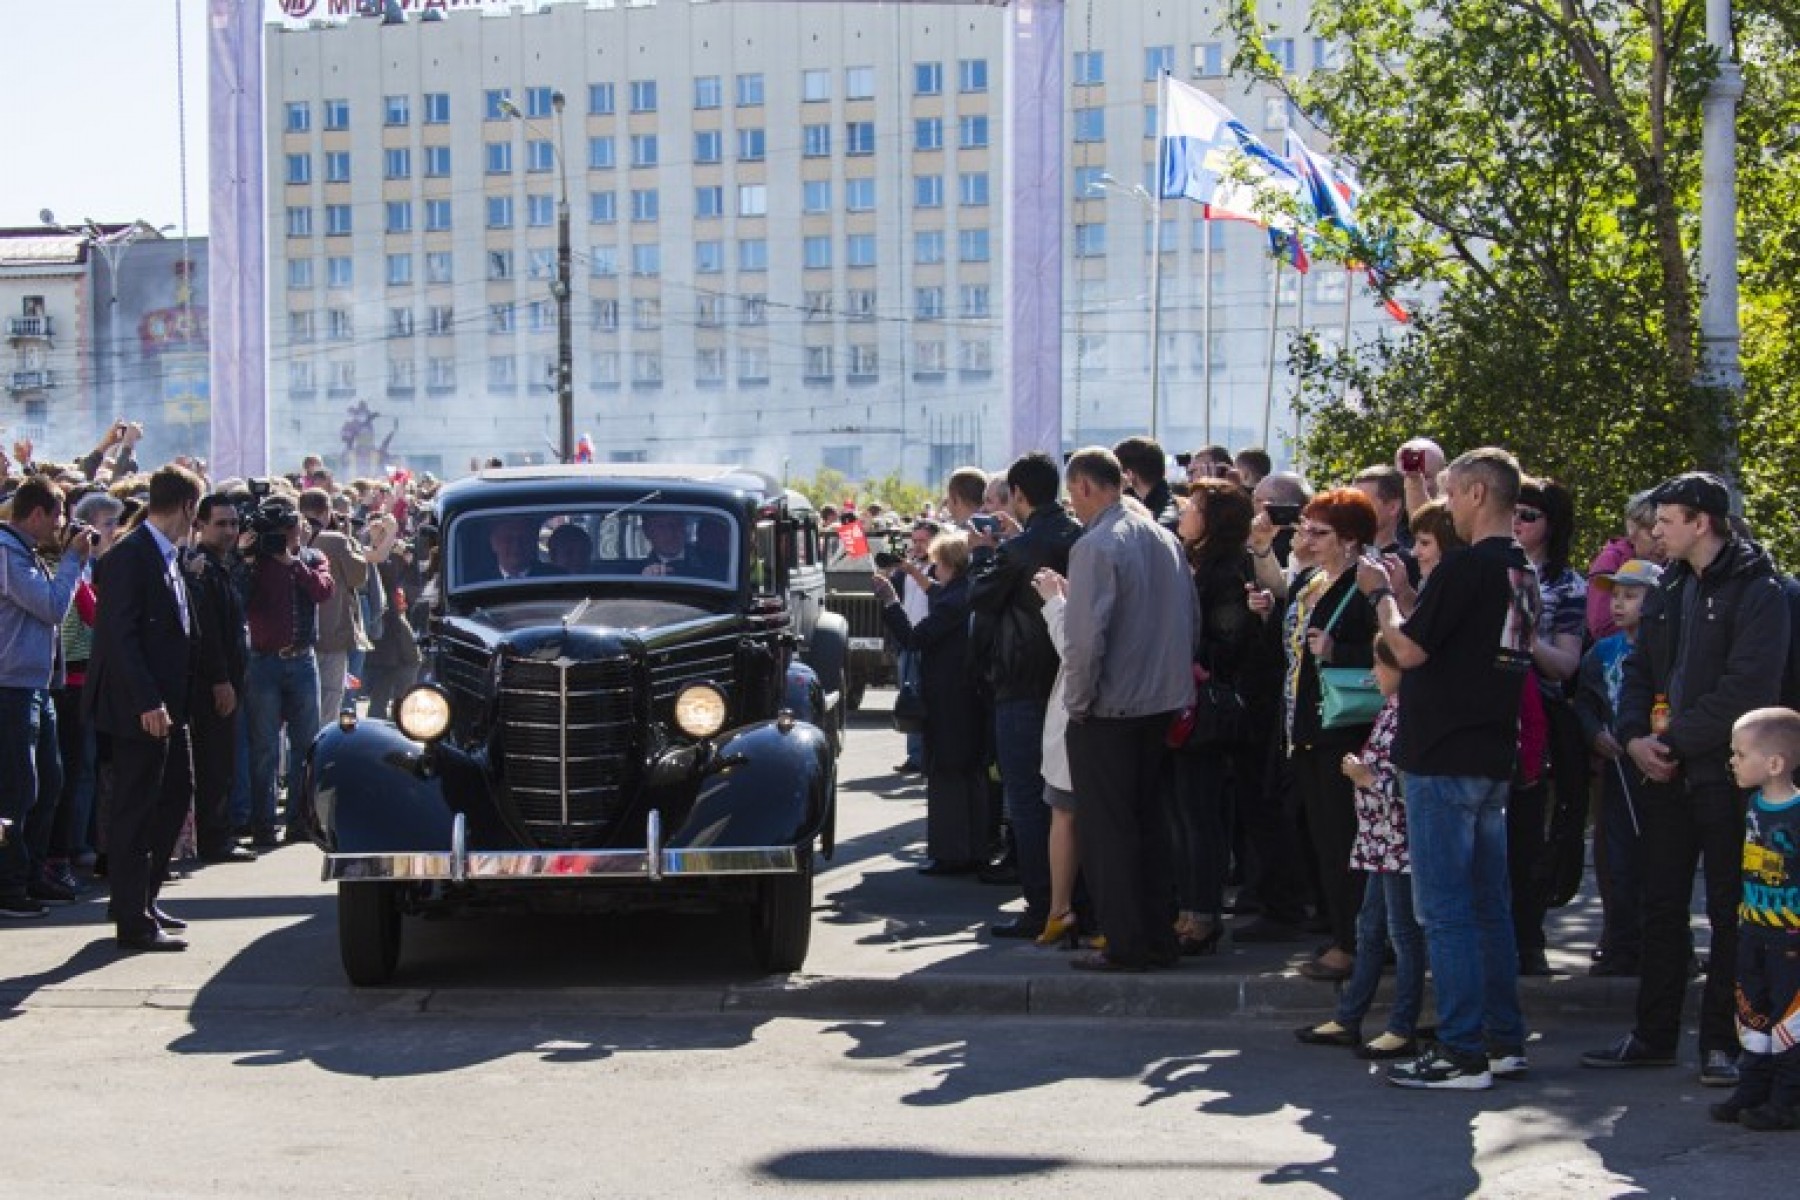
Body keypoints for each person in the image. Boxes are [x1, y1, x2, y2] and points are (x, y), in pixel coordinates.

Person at [1582, 471, 1790, 1088]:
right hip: (1665, 775)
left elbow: (1746, 691)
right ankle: (1653, 1036)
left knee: (1730, 911)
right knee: (1662, 904)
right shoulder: (1668, 585)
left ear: (1702, 522)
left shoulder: (1761, 590)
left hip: (1729, 778)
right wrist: (1634, 738)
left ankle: (1723, 1044)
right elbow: (1640, 668)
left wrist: (1667, 741)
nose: (1655, 531)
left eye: (1667, 520)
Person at [1358, 446, 1537, 1090]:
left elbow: (1406, 648)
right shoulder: (1521, 571)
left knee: (1448, 910)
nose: (1448, 506)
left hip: (1442, 757)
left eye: (1455, 493)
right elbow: (1454, 642)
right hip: (1489, 753)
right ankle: (1500, 1040)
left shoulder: (1469, 568)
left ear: (1480, 495)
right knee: (1487, 905)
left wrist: (1382, 597)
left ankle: (1462, 1049)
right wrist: (1409, 595)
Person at [1059, 447, 1195, 971]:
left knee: (1109, 831)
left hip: (1111, 706)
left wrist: (1078, 701)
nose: (1073, 504)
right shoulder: (1165, 538)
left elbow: (1086, 638)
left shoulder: (1097, 544)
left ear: (1088, 487)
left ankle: (1127, 942)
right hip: (1161, 700)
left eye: (1073, 494)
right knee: (1149, 825)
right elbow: (1191, 618)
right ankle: (1156, 935)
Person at [84, 465, 204, 951]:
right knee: (136, 807)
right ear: (188, 507)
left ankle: (143, 898)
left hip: (172, 706)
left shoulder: (169, 555)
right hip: (142, 708)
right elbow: (119, 636)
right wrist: (147, 701)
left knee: (177, 793)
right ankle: (132, 919)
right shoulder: (130, 556)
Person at [966, 453, 1083, 940]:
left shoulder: (1020, 549)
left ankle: (1042, 905)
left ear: (1018, 495)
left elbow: (980, 595)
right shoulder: (1079, 537)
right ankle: (1076, 901)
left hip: (1020, 682)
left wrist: (983, 551)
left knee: (1028, 799)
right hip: (1070, 677)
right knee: (1069, 799)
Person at [1295, 632, 1427, 1060]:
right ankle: (1349, 1017)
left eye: (1378, 665)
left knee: (1403, 937)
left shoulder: (1413, 713)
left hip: (1398, 843)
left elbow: (1416, 783)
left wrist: (1368, 778)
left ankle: (1401, 1026)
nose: (1372, 673)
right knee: (1368, 931)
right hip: (1378, 841)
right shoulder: (1392, 709)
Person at [1283, 489, 1381, 982]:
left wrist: (1339, 650)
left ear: (1350, 540)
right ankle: (1344, 934)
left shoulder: (1364, 585)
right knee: (1324, 840)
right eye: (1306, 529)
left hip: (1345, 733)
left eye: (1320, 533)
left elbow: (1392, 651)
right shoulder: (1318, 582)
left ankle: (1354, 943)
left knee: (1346, 841)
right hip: (1309, 729)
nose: (1308, 539)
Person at [1169, 479, 1260, 956]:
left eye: (1195, 506)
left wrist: (1196, 658)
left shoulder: (1226, 569)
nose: (1184, 511)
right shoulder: (1196, 561)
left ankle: (1202, 914)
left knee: (1199, 815)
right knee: (1184, 815)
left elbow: (1229, 641)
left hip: (1206, 707)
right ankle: (1188, 909)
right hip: (1184, 699)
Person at [0, 476, 90, 917]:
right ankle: (9, 883)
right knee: (17, 790)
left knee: (48, 782)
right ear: (36, 514)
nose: (63, 527)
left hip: (34, 685)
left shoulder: (25, 553)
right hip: (9, 687)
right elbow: (52, 607)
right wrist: (73, 562)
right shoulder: (6, 552)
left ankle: (31, 869)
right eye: (59, 516)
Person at [1509, 477, 1589, 976]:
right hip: (1490, 712)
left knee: (1529, 834)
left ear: (1551, 525)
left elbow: (1566, 664)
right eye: (1513, 512)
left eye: (1530, 516)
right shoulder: (1492, 566)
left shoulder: (1568, 584)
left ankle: (1529, 936)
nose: (1518, 522)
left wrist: (1525, 635)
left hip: (1542, 716)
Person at [874, 531, 987, 875]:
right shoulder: (965, 591)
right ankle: (972, 849)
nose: (933, 571)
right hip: (968, 697)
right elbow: (938, 594)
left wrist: (891, 601)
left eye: (937, 565)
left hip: (949, 697)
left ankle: (952, 853)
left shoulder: (954, 600)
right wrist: (912, 573)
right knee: (969, 774)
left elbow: (914, 638)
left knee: (947, 774)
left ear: (950, 565)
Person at [1709, 707, 1800, 1131]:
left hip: (1790, 937)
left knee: (1789, 1018)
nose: (1733, 761)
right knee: (1752, 1013)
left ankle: (1788, 1098)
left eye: (1741, 754)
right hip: (1754, 928)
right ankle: (1753, 1088)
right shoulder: (1752, 806)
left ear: (1775, 763)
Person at [1573, 559, 1662, 978]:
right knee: (1618, 858)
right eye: (1616, 596)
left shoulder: (1667, 647)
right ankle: (1620, 941)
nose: (1619, 604)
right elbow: (1585, 702)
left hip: (1658, 769)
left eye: (1632, 595)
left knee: (1658, 858)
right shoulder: (1601, 652)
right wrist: (1593, 734)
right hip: (1617, 769)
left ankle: (1663, 943)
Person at [242, 501, 334, 847]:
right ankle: (263, 824)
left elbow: (324, 591)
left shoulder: (311, 559)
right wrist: (248, 557)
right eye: (279, 533)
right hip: (264, 661)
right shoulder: (256, 561)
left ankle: (299, 821)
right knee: (263, 747)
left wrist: (294, 565)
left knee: (306, 745)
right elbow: (240, 596)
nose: (286, 539)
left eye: (290, 531)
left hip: (301, 659)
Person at [185, 493, 255, 864]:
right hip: (213, 682)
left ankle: (219, 834)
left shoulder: (225, 566)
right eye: (221, 524)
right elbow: (207, 632)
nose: (229, 531)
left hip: (231, 676)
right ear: (199, 525)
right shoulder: (200, 569)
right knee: (214, 762)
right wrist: (219, 679)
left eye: (233, 523)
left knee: (224, 761)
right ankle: (214, 839)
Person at [1586, 490, 1662, 642]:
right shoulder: (1611, 560)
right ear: (1633, 531)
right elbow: (1601, 626)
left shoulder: (1677, 562)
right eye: (1653, 534)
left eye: (1664, 533)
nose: (1660, 542)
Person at [1112, 436, 1180, 531]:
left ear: (1128, 474)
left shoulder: (1161, 520)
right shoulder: (1168, 507)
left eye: (1115, 472)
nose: (1112, 478)